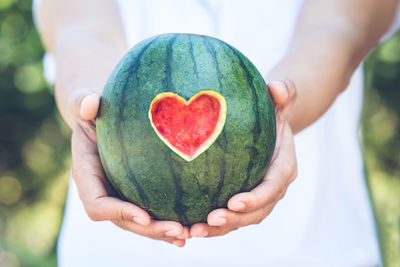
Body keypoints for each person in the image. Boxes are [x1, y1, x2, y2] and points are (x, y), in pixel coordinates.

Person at [34, 0, 399, 266]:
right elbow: (80, 32)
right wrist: (94, 110)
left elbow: (339, 30)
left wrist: (277, 115)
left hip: (313, 252)